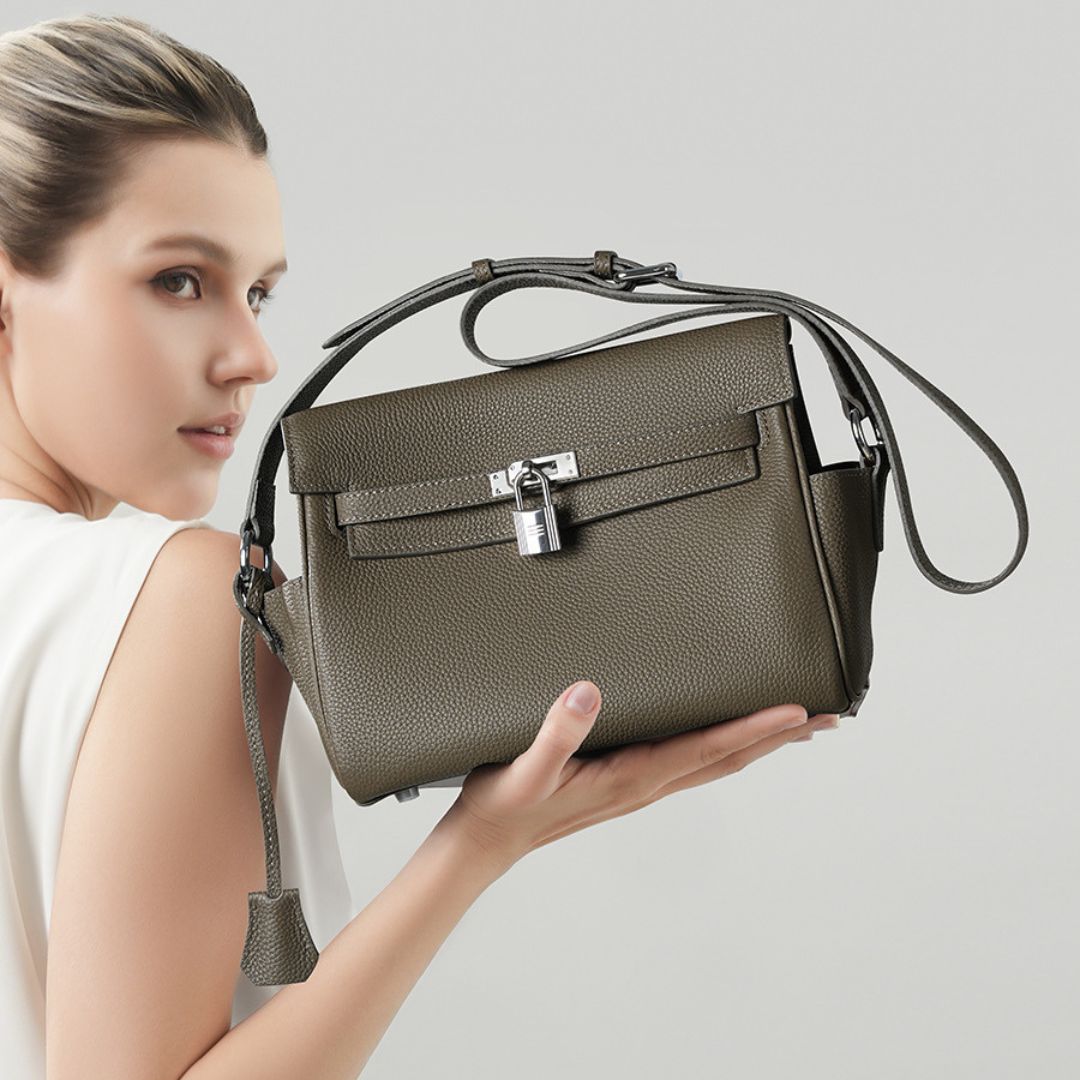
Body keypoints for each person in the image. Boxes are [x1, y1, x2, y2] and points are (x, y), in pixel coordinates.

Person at [0, 14, 839, 1079]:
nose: (254, 356)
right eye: (179, 280)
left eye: (258, 293)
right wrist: (479, 845)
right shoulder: (176, 596)